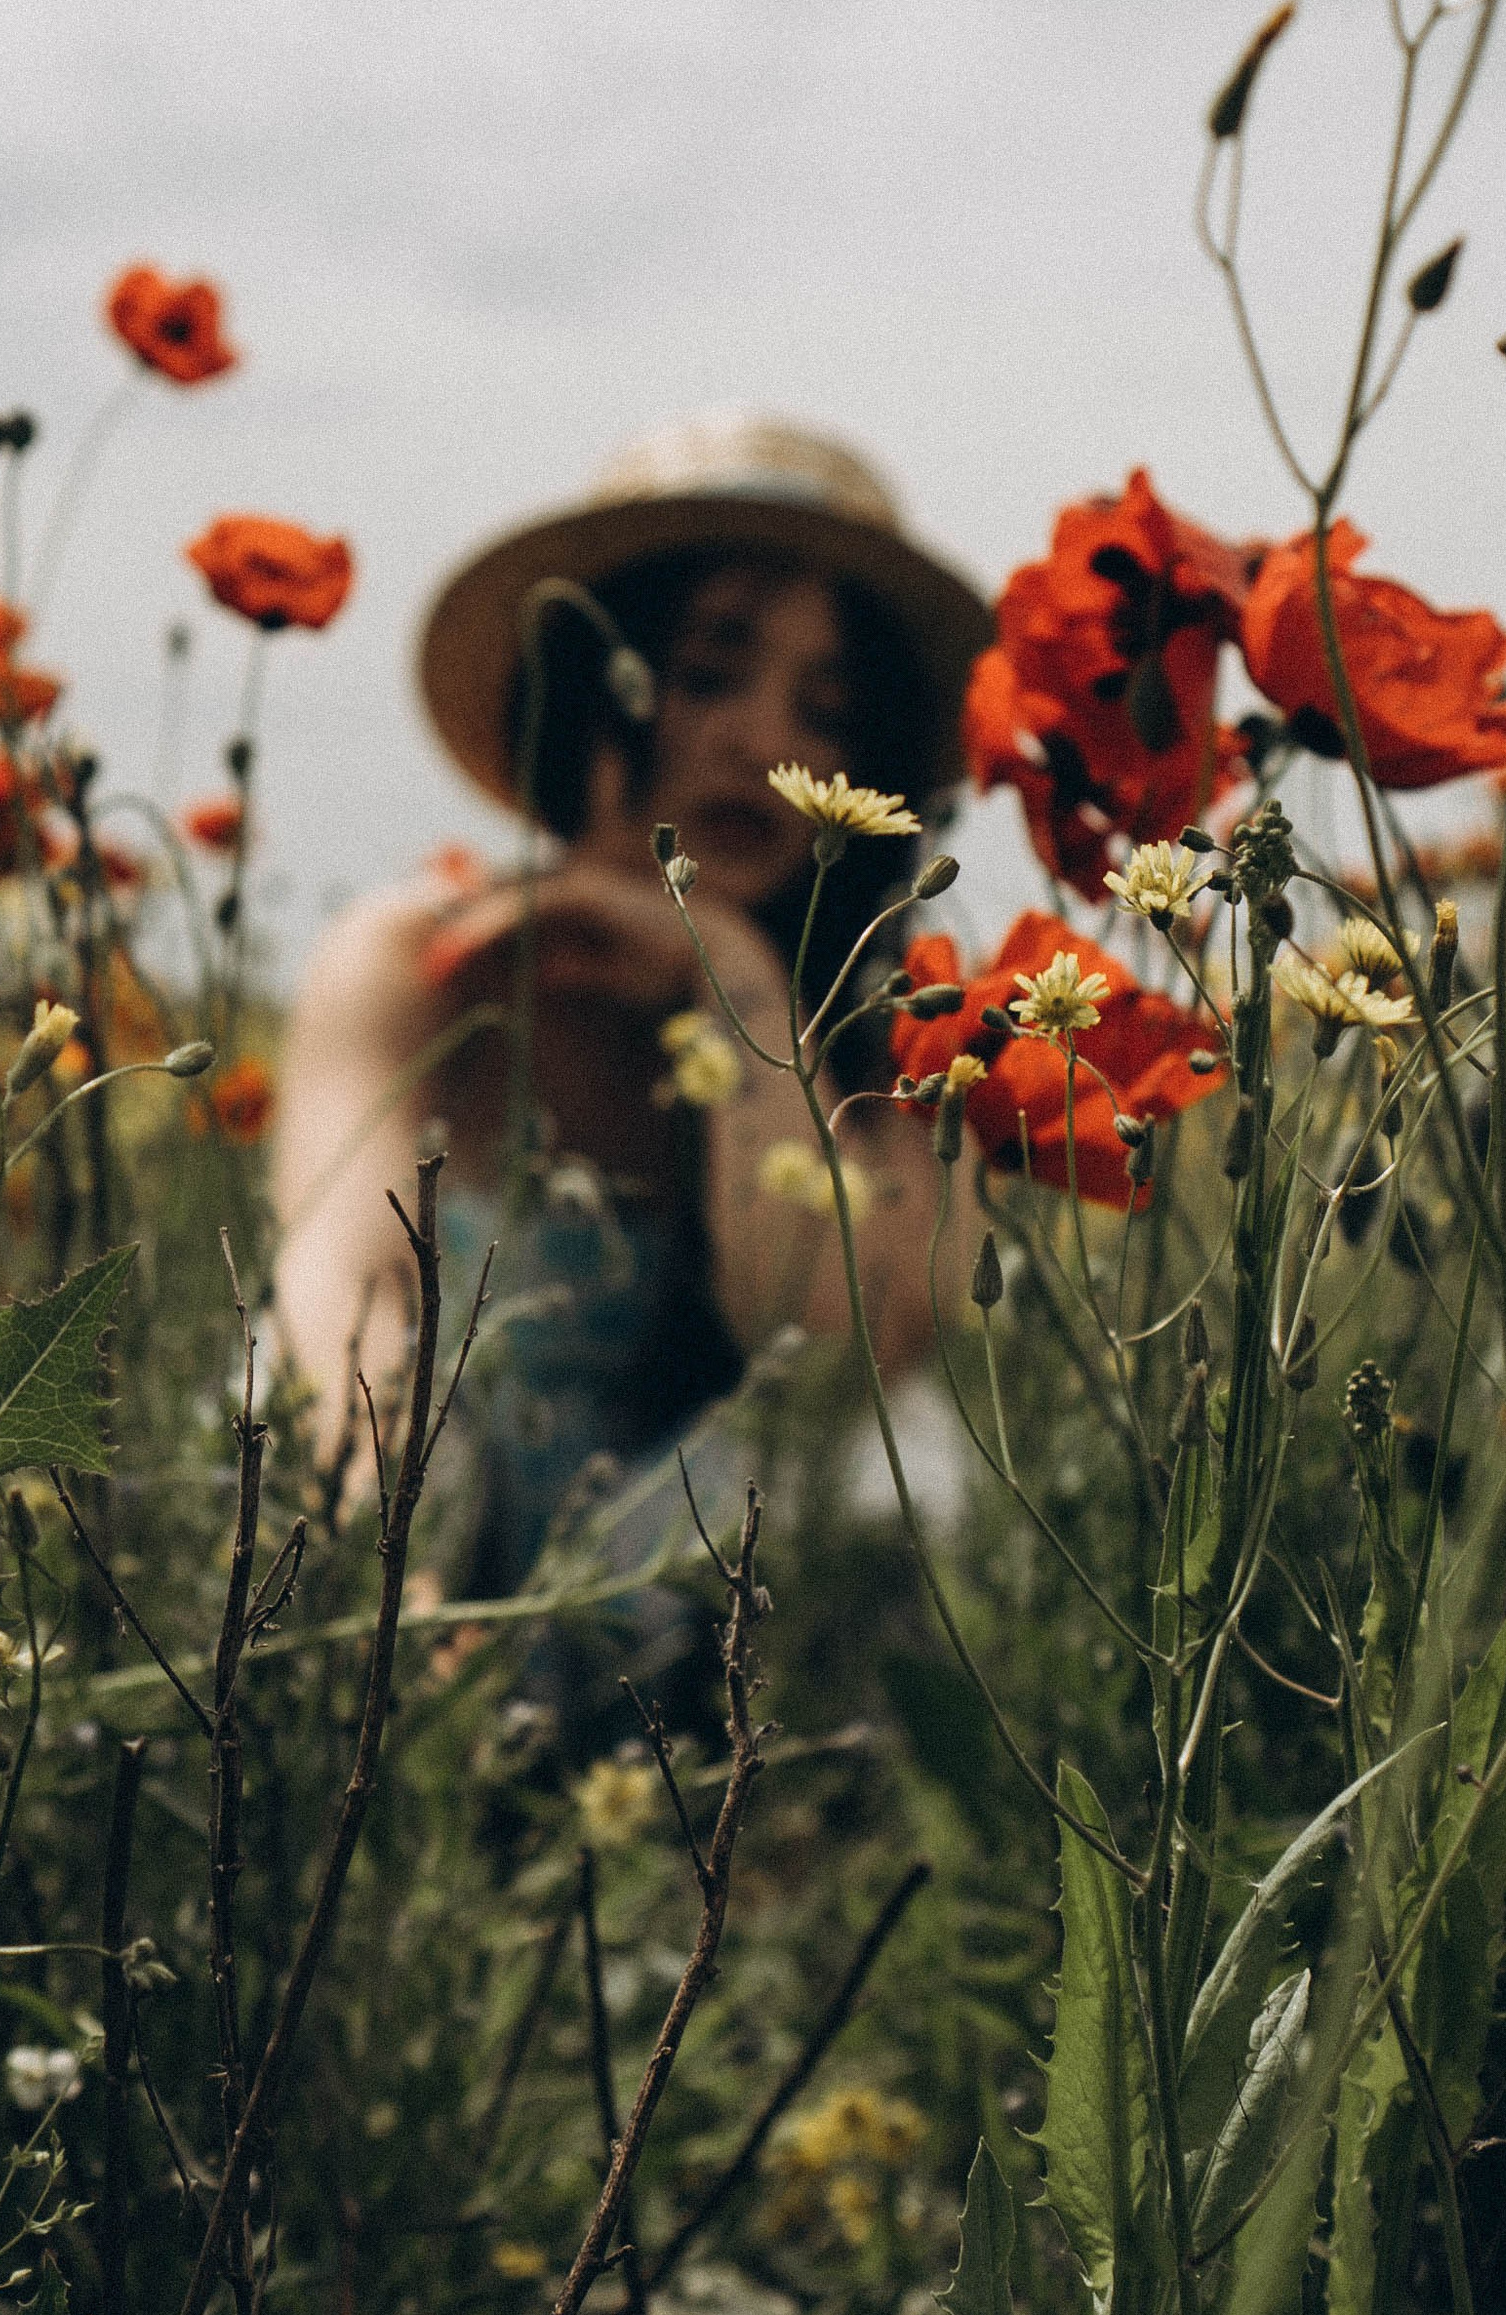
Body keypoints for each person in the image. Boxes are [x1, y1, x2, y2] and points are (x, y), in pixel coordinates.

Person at [271, 412, 987, 1596]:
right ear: (595, 691)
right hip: (413, 1560)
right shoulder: (414, 964)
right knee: (270, 1389)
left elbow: (821, 1355)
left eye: (828, 715)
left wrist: (737, 984)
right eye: (710, 674)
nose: (764, 742)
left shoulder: (909, 1045)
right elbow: (340, 1296)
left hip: (703, 1613)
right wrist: (396, 1590)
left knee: (888, 1455)